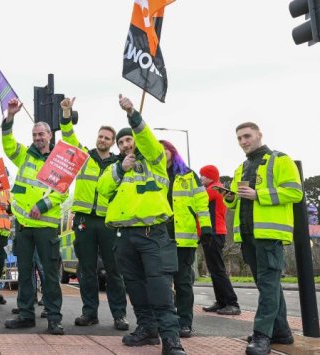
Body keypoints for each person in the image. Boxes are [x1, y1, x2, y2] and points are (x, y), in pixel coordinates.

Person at [97, 95, 185, 355]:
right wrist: (120, 170)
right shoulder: (116, 167)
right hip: (124, 237)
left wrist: (132, 114)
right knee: (134, 286)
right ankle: (147, 330)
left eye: (129, 140)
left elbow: (146, 136)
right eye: (121, 141)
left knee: (159, 288)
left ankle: (171, 340)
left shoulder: (155, 160)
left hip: (152, 235)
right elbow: (102, 190)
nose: (126, 144)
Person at [221, 122, 302, 355]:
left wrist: (259, 194)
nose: (243, 141)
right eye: (239, 138)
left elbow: (295, 192)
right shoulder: (241, 167)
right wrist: (229, 197)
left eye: (247, 136)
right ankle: (282, 333)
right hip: (247, 235)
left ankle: (262, 335)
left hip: (269, 234)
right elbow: (236, 201)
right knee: (269, 286)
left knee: (268, 286)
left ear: (259, 135)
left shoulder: (280, 160)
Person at [59, 97, 129, 331]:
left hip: (110, 223)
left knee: (114, 271)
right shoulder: (84, 156)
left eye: (108, 138)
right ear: (97, 138)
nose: (103, 140)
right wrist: (67, 114)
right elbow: (67, 137)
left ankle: (119, 315)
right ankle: (89, 313)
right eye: (101, 136)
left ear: (113, 143)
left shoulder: (121, 163)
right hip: (84, 221)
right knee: (86, 270)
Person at [1, 98, 68, 335]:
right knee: (25, 271)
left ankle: (54, 318)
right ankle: (26, 315)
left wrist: (42, 204)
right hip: (24, 224)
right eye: (34, 134)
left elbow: (62, 193)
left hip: (46, 226)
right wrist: (10, 116)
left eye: (42, 134)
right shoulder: (25, 155)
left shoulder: (59, 159)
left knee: (49, 274)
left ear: (50, 135)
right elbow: (8, 144)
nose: (38, 137)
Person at [160, 140, 212, 338]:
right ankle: (165, 320)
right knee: (162, 282)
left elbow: (201, 201)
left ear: (172, 151)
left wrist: (206, 226)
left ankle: (184, 322)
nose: (161, 152)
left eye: (164, 148)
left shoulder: (189, 175)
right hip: (160, 236)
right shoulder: (153, 174)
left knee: (182, 282)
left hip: (184, 236)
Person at [198, 164, 241, 316]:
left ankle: (231, 302)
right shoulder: (217, 188)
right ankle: (222, 301)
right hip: (216, 232)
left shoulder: (213, 189)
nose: (201, 178)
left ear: (210, 176)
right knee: (215, 269)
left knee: (217, 269)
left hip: (214, 232)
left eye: (202, 175)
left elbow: (197, 200)